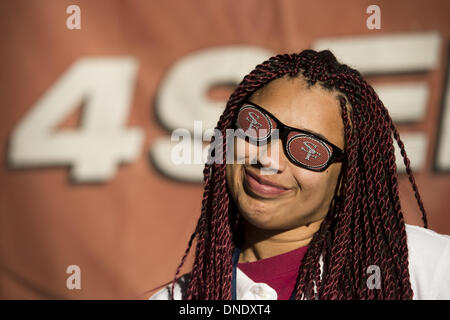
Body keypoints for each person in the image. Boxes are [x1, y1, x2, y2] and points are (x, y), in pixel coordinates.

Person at [149, 49, 450, 300]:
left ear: (347, 178)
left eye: (308, 149)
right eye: (256, 126)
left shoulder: (423, 267)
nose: (267, 158)